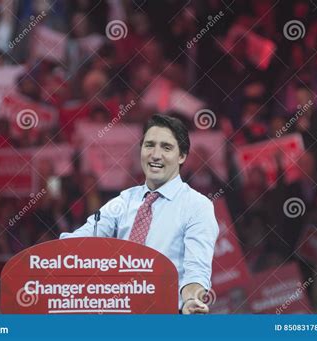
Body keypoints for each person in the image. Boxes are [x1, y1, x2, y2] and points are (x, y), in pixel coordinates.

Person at [60, 114, 219, 314]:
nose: (155, 154)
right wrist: (46, 257)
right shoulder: (123, 202)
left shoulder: (197, 206)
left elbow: (196, 270)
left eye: (166, 147)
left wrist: (191, 300)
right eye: (149, 145)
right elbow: (79, 242)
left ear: (182, 156)